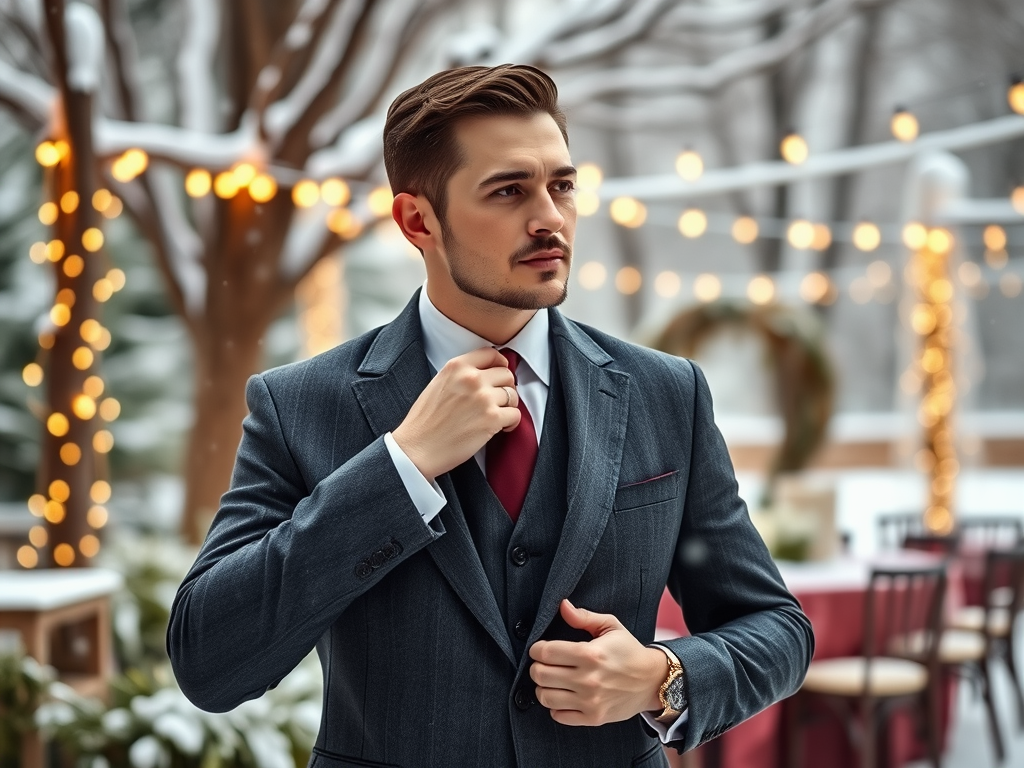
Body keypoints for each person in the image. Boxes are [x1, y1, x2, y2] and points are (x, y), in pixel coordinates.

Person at [168, 64, 813, 768]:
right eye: (509, 190)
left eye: (561, 186)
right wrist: (400, 467)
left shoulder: (665, 393)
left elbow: (777, 628)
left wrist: (665, 677)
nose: (549, 218)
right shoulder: (300, 406)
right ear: (419, 220)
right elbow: (209, 660)